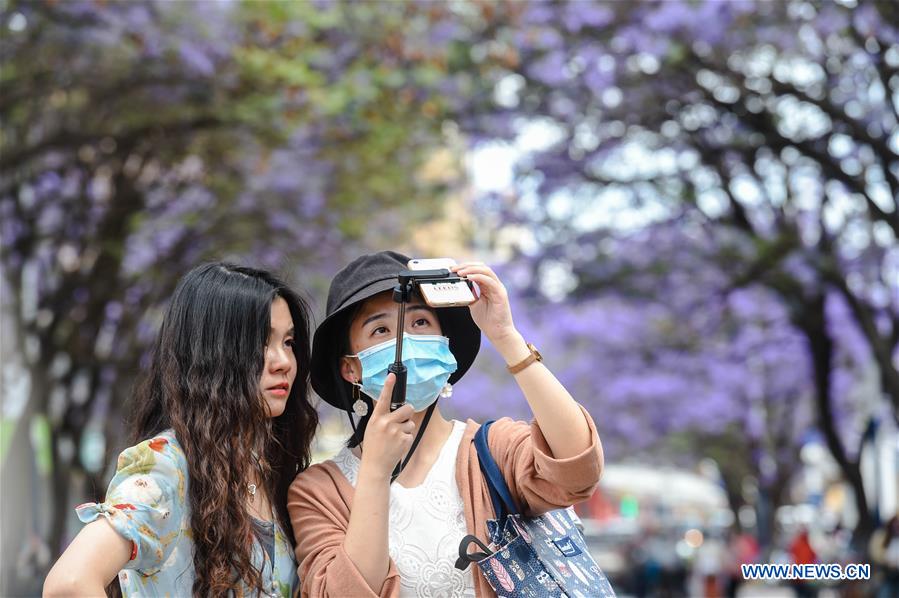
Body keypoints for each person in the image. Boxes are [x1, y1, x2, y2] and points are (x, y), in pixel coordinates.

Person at [287, 251, 604, 596]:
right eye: (380, 329)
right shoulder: (317, 491)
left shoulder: (490, 451)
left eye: (420, 323)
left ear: (445, 347)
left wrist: (506, 337)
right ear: (351, 368)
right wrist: (376, 473)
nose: (404, 342)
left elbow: (578, 470)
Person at [44, 263, 318, 597]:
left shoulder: (267, 470)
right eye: (262, 342)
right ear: (213, 354)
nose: (284, 361)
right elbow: (69, 583)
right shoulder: (168, 466)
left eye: (288, 342)